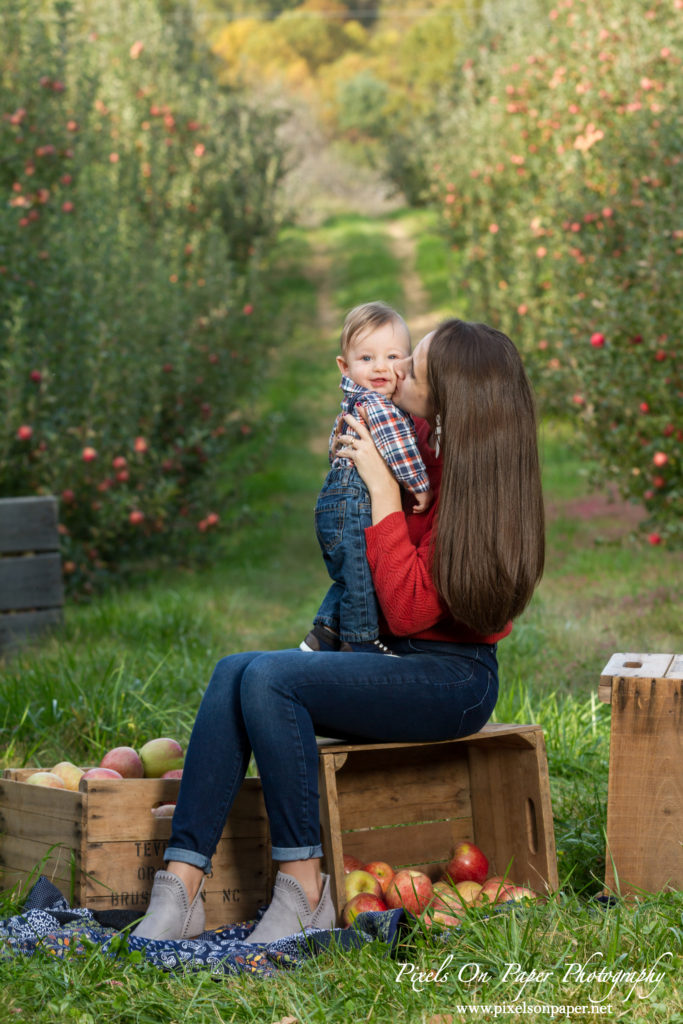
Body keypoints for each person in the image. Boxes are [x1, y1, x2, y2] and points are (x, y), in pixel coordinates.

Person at [131, 318, 545, 945]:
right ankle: (180, 885)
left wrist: (381, 487)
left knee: (271, 678)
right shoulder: (422, 442)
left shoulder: (475, 488)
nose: (397, 371)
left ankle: (304, 888)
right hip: (391, 658)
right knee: (234, 670)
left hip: (451, 680)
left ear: (452, 396)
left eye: (416, 368)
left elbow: (407, 610)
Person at [300, 300, 432, 657]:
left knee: (353, 570)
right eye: (367, 359)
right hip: (356, 501)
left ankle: (324, 630)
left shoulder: (353, 403)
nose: (381, 368)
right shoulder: (379, 406)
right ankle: (360, 642)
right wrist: (419, 485)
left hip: (336, 500)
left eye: (392, 357)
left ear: (406, 362)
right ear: (344, 366)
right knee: (361, 574)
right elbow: (399, 449)